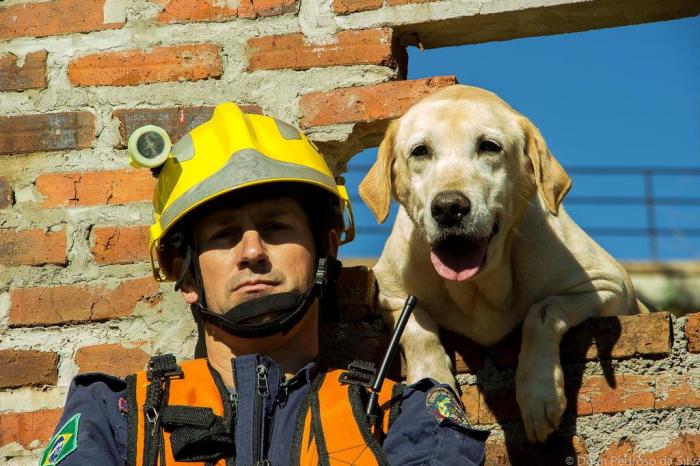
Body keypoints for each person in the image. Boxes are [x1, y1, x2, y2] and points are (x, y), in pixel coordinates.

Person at [41, 103, 488, 466]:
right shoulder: (116, 418)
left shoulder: (405, 419)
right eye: (223, 235)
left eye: (275, 227)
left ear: (327, 250)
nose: (252, 251)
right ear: (186, 273)